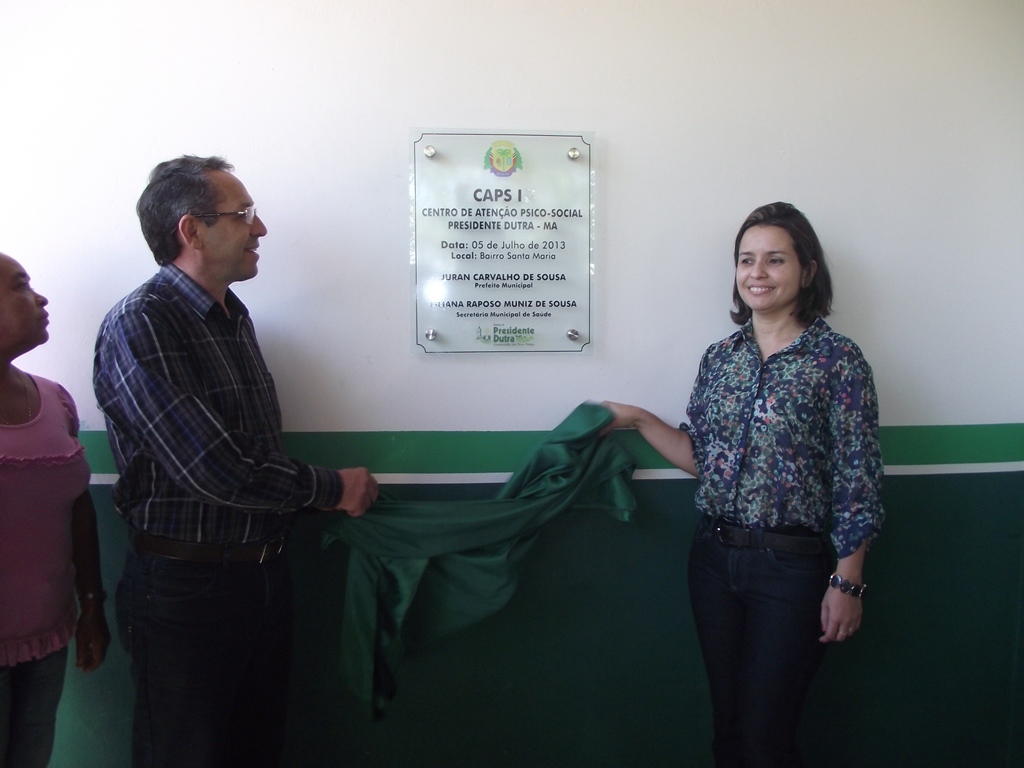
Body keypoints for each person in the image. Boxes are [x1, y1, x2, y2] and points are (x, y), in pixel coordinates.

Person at [93, 155, 379, 768]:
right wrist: (332, 488)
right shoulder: (143, 322)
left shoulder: (231, 317)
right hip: (187, 588)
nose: (261, 228)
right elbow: (213, 468)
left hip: (261, 575)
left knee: (256, 749)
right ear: (191, 230)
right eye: (243, 213)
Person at [605, 202, 883, 768]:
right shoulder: (720, 359)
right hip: (713, 561)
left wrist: (848, 580)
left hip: (792, 570)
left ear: (807, 270)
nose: (757, 272)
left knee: (765, 740)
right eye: (746, 259)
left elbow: (858, 476)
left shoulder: (838, 360)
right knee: (728, 730)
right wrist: (636, 419)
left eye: (775, 259)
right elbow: (706, 461)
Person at [0, 252, 110, 768]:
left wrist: (92, 605)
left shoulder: (54, 400)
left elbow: (77, 508)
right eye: (20, 286)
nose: (40, 298)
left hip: (46, 640)